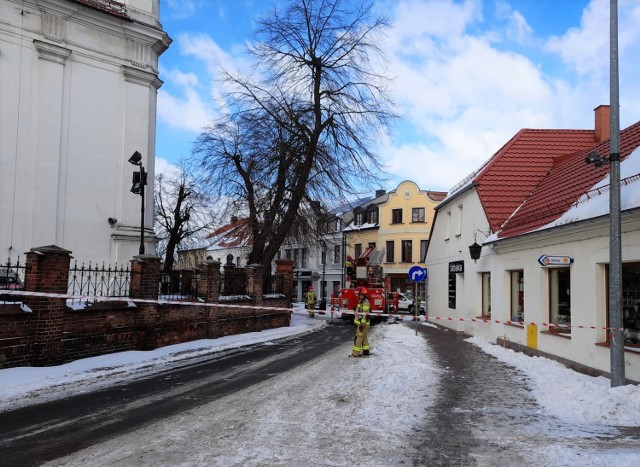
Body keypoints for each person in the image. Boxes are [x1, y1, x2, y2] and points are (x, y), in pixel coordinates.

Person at [351, 287, 371, 357]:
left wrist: (362, 324)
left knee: (359, 338)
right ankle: (366, 352)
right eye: (360, 295)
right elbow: (358, 312)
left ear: (365, 295)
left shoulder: (365, 302)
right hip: (360, 323)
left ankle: (355, 353)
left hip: (363, 324)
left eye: (362, 295)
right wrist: (356, 321)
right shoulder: (361, 302)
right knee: (364, 337)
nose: (360, 296)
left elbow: (366, 314)